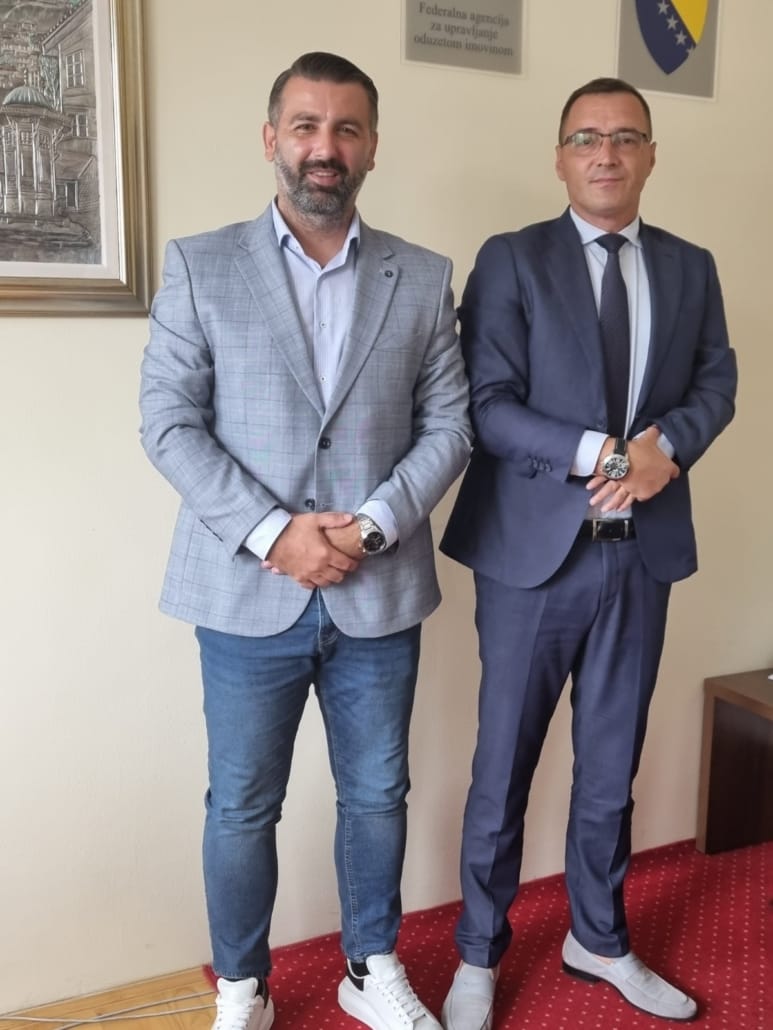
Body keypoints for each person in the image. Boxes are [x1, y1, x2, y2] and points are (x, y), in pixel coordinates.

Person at [140, 51, 471, 1030]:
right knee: (242, 803)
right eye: (305, 126)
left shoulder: (422, 276)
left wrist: (369, 526)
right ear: (271, 139)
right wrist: (273, 534)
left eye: (345, 129)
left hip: (378, 588)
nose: (325, 147)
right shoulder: (200, 265)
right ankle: (242, 987)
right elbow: (168, 422)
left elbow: (448, 425)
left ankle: (370, 967)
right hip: (245, 591)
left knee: (377, 793)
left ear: (370, 146)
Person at [439, 77, 737, 1029]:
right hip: (532, 558)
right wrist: (606, 457)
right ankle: (478, 954)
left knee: (612, 764)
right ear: (560, 156)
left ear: (649, 155)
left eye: (624, 137)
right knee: (503, 767)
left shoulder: (689, 266)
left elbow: (716, 381)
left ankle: (597, 938)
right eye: (585, 137)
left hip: (640, 555)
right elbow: (487, 404)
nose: (605, 153)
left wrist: (666, 449)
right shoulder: (511, 259)